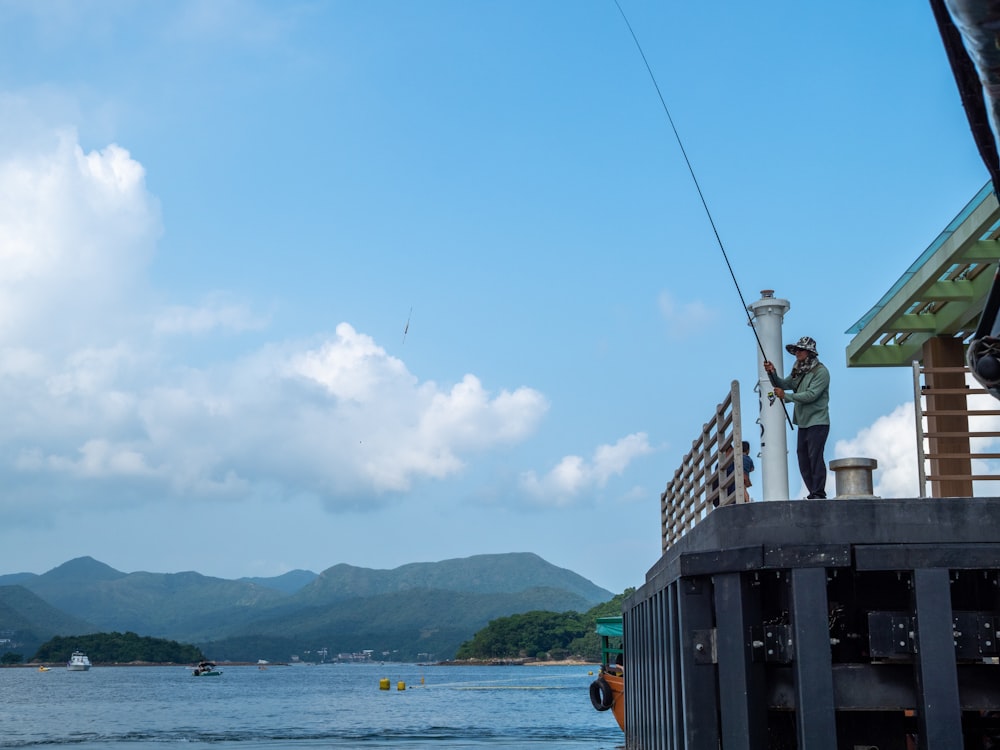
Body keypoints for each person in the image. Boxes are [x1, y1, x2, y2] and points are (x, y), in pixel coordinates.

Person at [763, 336, 830, 499]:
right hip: (803, 423)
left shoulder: (821, 372)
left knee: (815, 457)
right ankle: (812, 492)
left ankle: (819, 492)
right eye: (796, 350)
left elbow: (811, 395)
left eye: (800, 350)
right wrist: (772, 372)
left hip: (818, 422)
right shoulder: (799, 370)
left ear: (809, 352)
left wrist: (787, 396)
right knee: (803, 458)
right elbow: (783, 384)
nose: (797, 353)